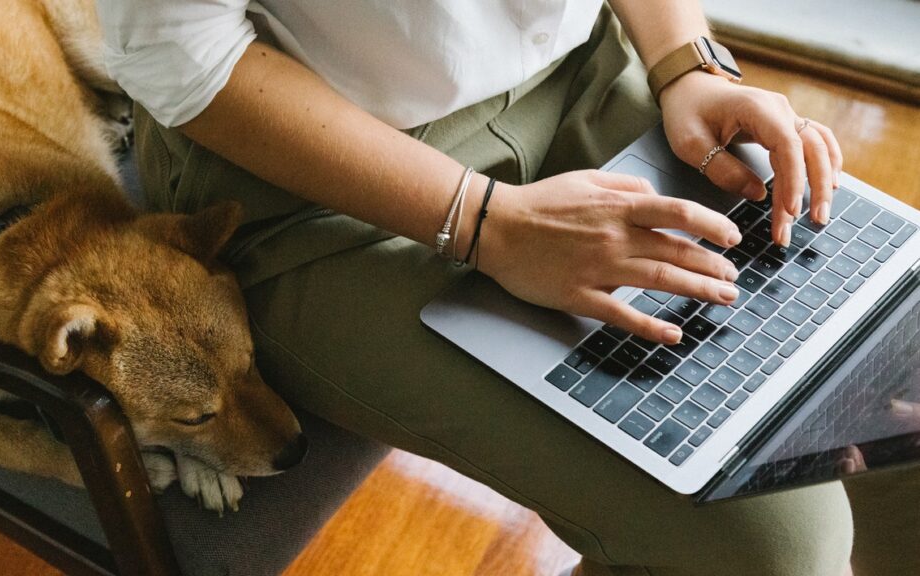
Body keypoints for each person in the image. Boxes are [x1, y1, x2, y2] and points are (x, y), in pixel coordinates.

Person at [96, 1, 919, 574]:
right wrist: (487, 224)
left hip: (579, 70)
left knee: (905, 380)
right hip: (316, 180)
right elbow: (177, 49)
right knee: (771, 549)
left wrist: (687, 66)